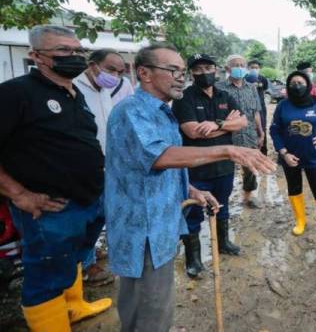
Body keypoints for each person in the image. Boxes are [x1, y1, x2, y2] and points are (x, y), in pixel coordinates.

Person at [104, 43, 276, 332]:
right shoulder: (133, 112)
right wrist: (228, 150)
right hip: (143, 228)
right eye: (173, 70)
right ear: (143, 73)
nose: (181, 77)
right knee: (149, 307)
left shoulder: (162, 112)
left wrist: (190, 191)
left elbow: (163, 165)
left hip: (161, 222)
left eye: (182, 71)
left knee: (156, 302)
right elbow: (160, 157)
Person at [0, 25, 111, 331]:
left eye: (78, 50)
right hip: (50, 208)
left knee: (72, 257)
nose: (74, 56)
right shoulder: (16, 93)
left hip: (88, 199)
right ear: (37, 56)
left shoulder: (74, 93)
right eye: (63, 50)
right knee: (45, 275)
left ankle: (74, 307)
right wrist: (20, 194)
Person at [172, 53, 248, 278]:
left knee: (221, 206)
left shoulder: (225, 95)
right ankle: (193, 259)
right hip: (196, 169)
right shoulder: (184, 99)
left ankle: (223, 242)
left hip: (224, 166)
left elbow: (242, 122)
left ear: (216, 69)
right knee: (193, 212)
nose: (204, 73)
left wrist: (216, 124)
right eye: (198, 69)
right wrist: (228, 125)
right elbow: (192, 132)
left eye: (208, 67)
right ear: (191, 73)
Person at [270, 71, 316, 239]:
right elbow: (274, 130)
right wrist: (283, 152)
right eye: (293, 83)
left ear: (308, 84)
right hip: (290, 157)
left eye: (301, 82)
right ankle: (300, 221)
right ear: (288, 86)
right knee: (294, 188)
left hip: (313, 155)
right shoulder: (283, 105)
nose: (297, 86)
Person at [74, 48, 126, 286]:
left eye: (120, 71)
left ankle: (88, 254)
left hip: (108, 164)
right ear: (93, 65)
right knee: (84, 218)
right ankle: (84, 266)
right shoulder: (73, 89)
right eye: (111, 69)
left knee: (101, 215)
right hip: (83, 168)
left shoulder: (105, 90)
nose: (115, 75)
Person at [217, 55, 265, 209]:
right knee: (224, 167)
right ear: (227, 69)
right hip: (226, 135)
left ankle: (248, 196)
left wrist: (261, 132)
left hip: (249, 133)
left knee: (250, 167)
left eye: (242, 64)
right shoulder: (219, 88)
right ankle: (220, 200)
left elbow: (256, 112)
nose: (239, 67)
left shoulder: (251, 88)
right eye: (235, 65)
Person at [248, 60, 270, 155]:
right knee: (249, 128)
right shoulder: (245, 78)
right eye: (252, 67)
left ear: (259, 69)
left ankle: (263, 152)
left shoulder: (263, 79)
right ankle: (251, 151)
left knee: (262, 127)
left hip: (261, 107)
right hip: (248, 107)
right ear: (248, 68)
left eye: (256, 68)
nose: (254, 69)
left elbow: (264, 90)